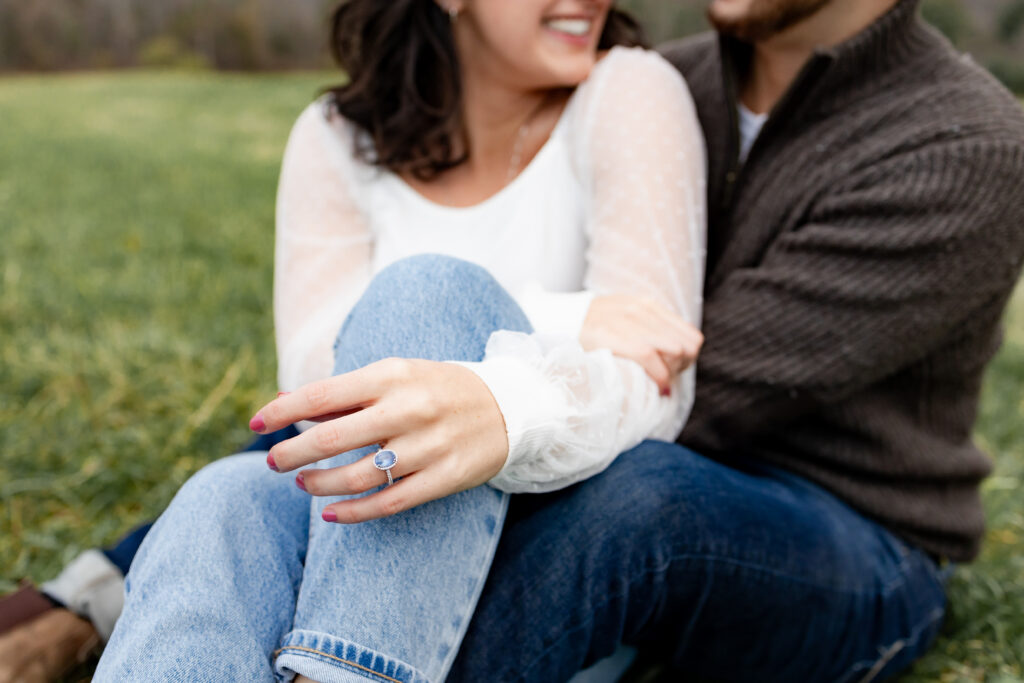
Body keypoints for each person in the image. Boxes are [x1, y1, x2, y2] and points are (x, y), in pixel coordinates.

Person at [5, 0, 1024, 680]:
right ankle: (114, 605)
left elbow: (701, 375)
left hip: (836, 525)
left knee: (616, 493)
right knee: (255, 479)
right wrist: (502, 374)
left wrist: (494, 390)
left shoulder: (963, 145)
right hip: (596, 432)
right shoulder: (661, 77)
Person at [89, 0, 708, 680]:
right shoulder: (337, 137)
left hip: (549, 534)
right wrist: (567, 318)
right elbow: (313, 374)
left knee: (430, 294)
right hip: (361, 518)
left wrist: (497, 402)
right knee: (223, 502)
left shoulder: (628, 90)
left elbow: (655, 378)